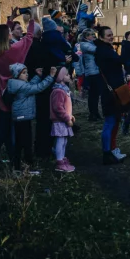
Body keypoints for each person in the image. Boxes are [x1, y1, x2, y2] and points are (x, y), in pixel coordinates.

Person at [0, 8, 38, 172]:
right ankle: (21, 163)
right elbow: (29, 38)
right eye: (9, 31)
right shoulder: (13, 51)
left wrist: (10, 19)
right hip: (18, 95)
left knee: (3, 131)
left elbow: (0, 34)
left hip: (4, 95)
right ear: (7, 35)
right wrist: (31, 19)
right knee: (23, 132)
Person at [4, 63, 56, 172]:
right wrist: (50, 76)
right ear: (17, 75)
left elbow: (30, 85)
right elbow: (38, 88)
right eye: (24, 73)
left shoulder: (17, 84)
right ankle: (28, 165)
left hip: (20, 117)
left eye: (26, 72)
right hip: (24, 117)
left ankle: (17, 166)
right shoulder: (22, 87)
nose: (27, 75)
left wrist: (37, 75)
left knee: (20, 142)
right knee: (26, 142)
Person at [37, 17, 77, 158]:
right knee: (58, 107)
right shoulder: (55, 37)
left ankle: (44, 148)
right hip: (53, 79)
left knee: (46, 115)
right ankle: (53, 151)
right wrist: (64, 59)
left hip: (46, 81)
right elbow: (67, 48)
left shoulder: (42, 41)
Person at [95, 26, 129, 164]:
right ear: (101, 37)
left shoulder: (106, 49)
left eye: (112, 34)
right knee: (110, 121)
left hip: (115, 89)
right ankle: (107, 153)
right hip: (111, 91)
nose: (111, 37)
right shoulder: (104, 51)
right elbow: (120, 61)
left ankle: (112, 149)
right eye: (108, 35)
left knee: (115, 120)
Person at [50, 67, 76, 172]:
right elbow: (58, 108)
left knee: (64, 140)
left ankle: (62, 159)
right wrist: (66, 118)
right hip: (60, 120)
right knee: (61, 141)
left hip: (64, 120)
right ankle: (59, 161)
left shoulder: (63, 89)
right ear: (61, 77)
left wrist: (70, 116)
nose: (69, 76)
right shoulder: (58, 91)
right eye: (66, 74)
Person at [75, 30, 101, 120]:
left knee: (96, 94)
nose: (94, 36)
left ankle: (96, 112)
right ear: (86, 37)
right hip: (91, 72)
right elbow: (96, 50)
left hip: (95, 71)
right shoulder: (84, 44)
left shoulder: (91, 43)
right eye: (91, 35)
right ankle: (92, 114)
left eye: (94, 34)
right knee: (92, 94)